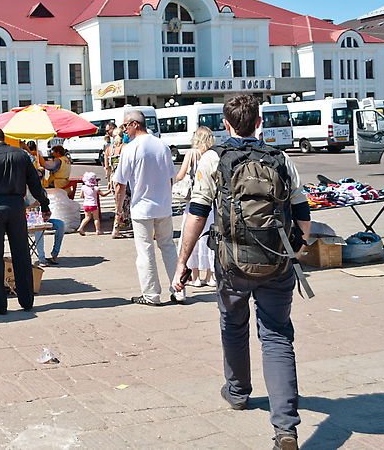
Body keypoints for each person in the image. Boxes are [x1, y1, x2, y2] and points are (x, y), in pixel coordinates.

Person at [173, 95, 310, 450]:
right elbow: (302, 212)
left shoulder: (213, 158)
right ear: (260, 122)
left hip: (232, 263)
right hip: (277, 261)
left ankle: (237, 391)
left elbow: (197, 213)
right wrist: (297, 249)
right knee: (277, 337)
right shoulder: (281, 159)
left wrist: (182, 262)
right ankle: (285, 429)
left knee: (233, 326)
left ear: (227, 125)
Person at [0, 127, 50, 315]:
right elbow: (35, 184)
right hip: (16, 206)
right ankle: (26, 300)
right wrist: (45, 205)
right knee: (22, 254)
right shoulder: (21, 155)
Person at [112, 110, 183, 306]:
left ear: (135, 124)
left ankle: (151, 294)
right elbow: (171, 177)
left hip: (142, 207)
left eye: (125, 125)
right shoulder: (162, 145)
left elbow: (120, 184)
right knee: (168, 247)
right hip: (163, 206)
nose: (124, 129)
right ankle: (179, 289)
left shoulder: (131, 148)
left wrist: (119, 211)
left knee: (145, 251)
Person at [174, 126, 216, 287]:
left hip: (195, 200)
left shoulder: (191, 154)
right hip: (211, 201)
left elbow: (180, 175)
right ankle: (211, 276)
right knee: (209, 237)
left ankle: (196, 276)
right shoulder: (213, 154)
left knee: (192, 237)